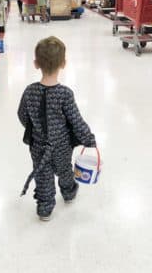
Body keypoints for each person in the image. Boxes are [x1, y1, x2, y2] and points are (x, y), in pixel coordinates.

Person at [18, 36, 96, 221]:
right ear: (64, 63)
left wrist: (34, 128)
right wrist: (88, 138)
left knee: (43, 175)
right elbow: (76, 120)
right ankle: (68, 193)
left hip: (38, 147)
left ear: (36, 64)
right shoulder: (65, 94)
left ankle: (45, 209)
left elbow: (22, 115)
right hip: (62, 146)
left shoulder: (30, 91)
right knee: (64, 170)